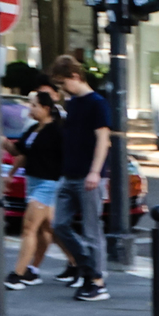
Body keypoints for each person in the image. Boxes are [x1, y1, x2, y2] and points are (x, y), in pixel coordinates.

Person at [48, 53, 113, 301]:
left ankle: (97, 281)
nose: (62, 90)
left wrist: (96, 172)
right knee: (59, 224)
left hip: (88, 176)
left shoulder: (97, 103)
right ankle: (89, 268)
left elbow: (103, 140)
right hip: (69, 174)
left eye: (64, 84)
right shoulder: (73, 104)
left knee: (91, 230)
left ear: (75, 76)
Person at [4, 90, 62, 290]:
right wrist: (3, 141)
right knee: (49, 229)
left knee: (29, 228)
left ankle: (18, 273)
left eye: (34, 105)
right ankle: (78, 263)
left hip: (48, 182)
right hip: (34, 181)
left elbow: (64, 156)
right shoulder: (33, 129)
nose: (31, 108)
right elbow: (19, 151)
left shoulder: (57, 130)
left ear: (46, 108)